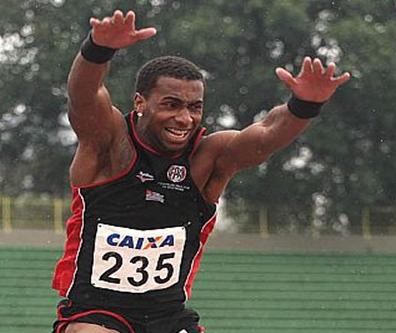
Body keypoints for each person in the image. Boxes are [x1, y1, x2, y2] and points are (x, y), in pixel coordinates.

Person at [51, 9, 350, 333]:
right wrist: (97, 49)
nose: (184, 119)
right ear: (140, 103)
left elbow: (265, 135)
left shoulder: (208, 157)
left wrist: (304, 105)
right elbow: (83, 97)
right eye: (171, 104)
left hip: (168, 318)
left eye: (195, 107)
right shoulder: (109, 141)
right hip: (96, 313)